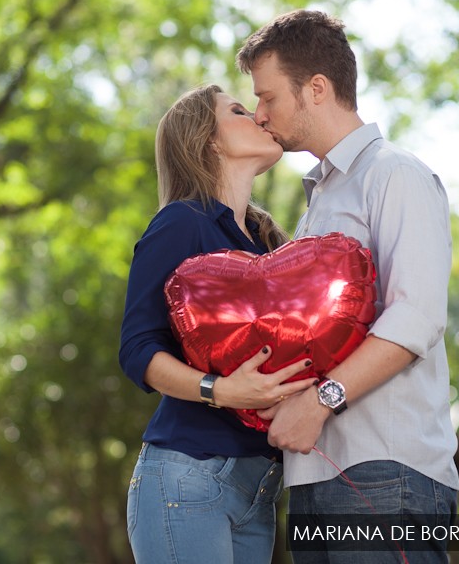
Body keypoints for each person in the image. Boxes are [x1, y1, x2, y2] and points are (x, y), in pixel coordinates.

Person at [237, 10, 459, 563]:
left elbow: (417, 317)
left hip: (386, 474)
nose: (260, 115)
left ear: (317, 88)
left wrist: (320, 401)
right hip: (313, 476)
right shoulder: (320, 200)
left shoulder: (394, 174)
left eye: (268, 98)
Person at [119, 84, 316, 564]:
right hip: (188, 477)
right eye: (239, 111)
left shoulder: (266, 245)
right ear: (208, 139)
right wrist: (221, 391)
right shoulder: (182, 223)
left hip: (259, 490)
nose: (259, 117)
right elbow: (137, 349)